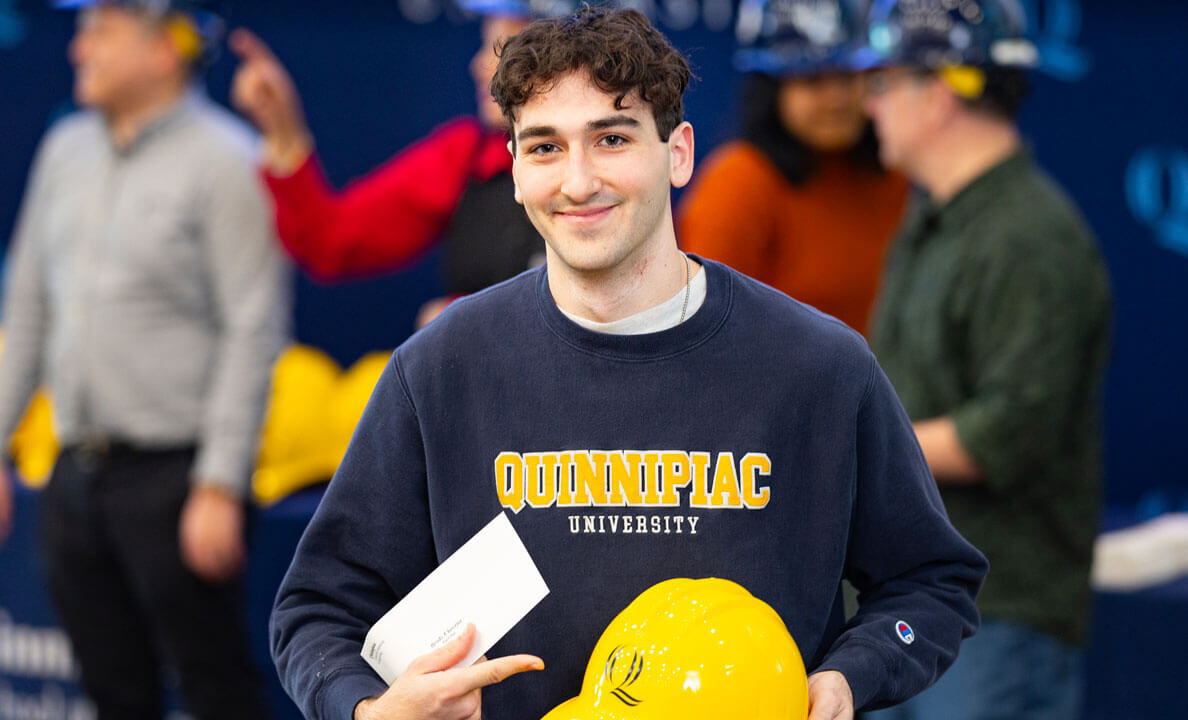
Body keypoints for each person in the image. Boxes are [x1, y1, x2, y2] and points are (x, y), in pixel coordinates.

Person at [270, 7, 987, 720]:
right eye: (545, 148)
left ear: (678, 153)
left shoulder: (819, 365)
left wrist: (851, 676)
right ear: (514, 168)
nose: (578, 182)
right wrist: (366, 710)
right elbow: (317, 608)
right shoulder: (440, 370)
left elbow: (929, 582)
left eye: (611, 139)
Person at [0, 1, 289, 717]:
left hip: (177, 478)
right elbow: (28, 306)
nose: (78, 49)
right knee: (110, 688)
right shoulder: (65, 148)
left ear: (164, 50)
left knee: (215, 687)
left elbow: (253, 328)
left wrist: (219, 483)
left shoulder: (229, 160)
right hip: (73, 474)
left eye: (101, 31)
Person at [859, 1, 1112, 718]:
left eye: (882, 84)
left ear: (937, 94)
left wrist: (855, 444)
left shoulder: (1032, 238)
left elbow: (1009, 432)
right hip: (910, 597)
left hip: (997, 612)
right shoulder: (931, 217)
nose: (869, 105)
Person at [230, 0, 570, 324]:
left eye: (506, 49)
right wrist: (283, 132)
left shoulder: (611, 161)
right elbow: (331, 240)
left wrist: (470, 320)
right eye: (486, 46)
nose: (481, 66)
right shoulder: (465, 155)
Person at [677, 0, 908, 334]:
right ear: (772, 91)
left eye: (847, 78)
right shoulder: (738, 182)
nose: (836, 99)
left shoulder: (890, 177)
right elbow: (706, 329)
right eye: (813, 80)